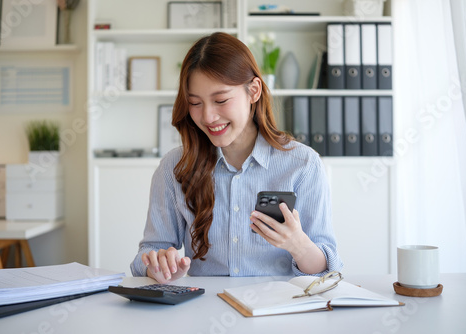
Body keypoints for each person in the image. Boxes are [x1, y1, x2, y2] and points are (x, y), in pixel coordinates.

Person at [130, 32, 342, 283]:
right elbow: (148, 252)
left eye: (220, 100)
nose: (208, 117)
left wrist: (299, 245)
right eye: (195, 103)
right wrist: (158, 266)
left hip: (278, 312)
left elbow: (328, 271)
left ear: (253, 91)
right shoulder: (174, 167)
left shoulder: (303, 164)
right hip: (206, 310)